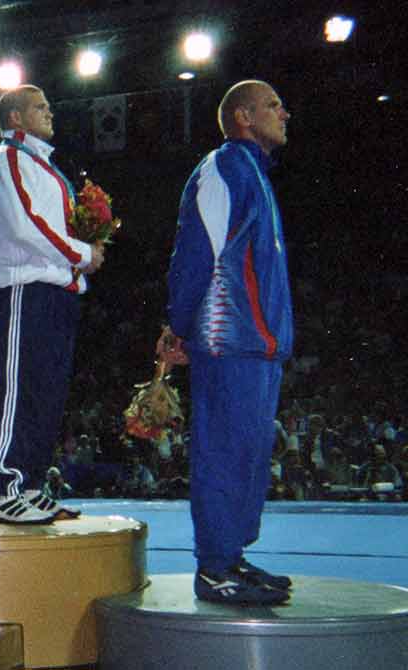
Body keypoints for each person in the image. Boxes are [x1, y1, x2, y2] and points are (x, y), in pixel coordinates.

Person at [160, 80, 293, 605]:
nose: (285, 113)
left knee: (251, 455)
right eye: (273, 106)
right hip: (227, 335)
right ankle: (214, 568)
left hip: (258, 341)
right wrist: (178, 324)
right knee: (224, 454)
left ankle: (232, 556)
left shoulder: (256, 175)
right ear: (243, 116)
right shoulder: (223, 168)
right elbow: (196, 251)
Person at [0, 84, 104, 523]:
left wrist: (78, 254)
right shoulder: (6, 159)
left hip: (55, 289)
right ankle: (7, 488)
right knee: (21, 391)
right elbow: (23, 226)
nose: (50, 113)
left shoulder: (44, 167)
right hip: (23, 288)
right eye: (39, 107)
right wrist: (82, 254)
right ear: (15, 118)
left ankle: (32, 487)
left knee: (47, 395)